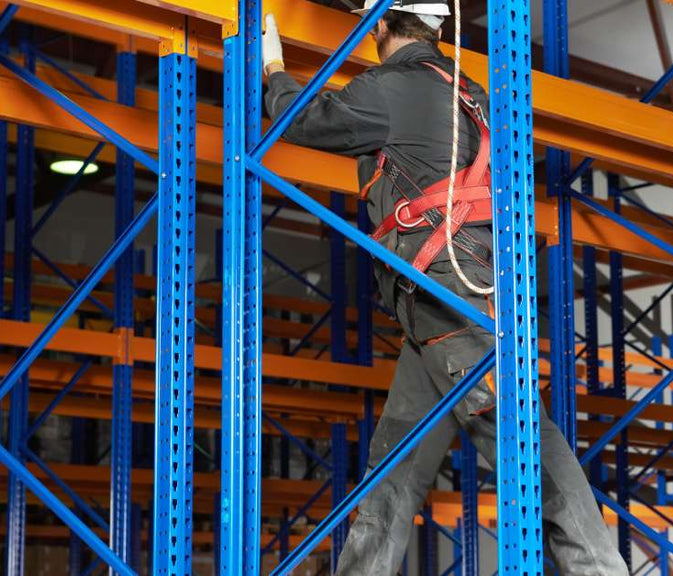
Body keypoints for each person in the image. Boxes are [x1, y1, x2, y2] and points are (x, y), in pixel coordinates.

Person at [260, 2, 629, 574]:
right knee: (392, 470)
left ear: (379, 23)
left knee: (524, 447)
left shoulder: (391, 87)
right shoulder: (470, 92)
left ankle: (600, 570)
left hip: (448, 300)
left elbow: (300, 119)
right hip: (438, 310)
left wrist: (272, 65)